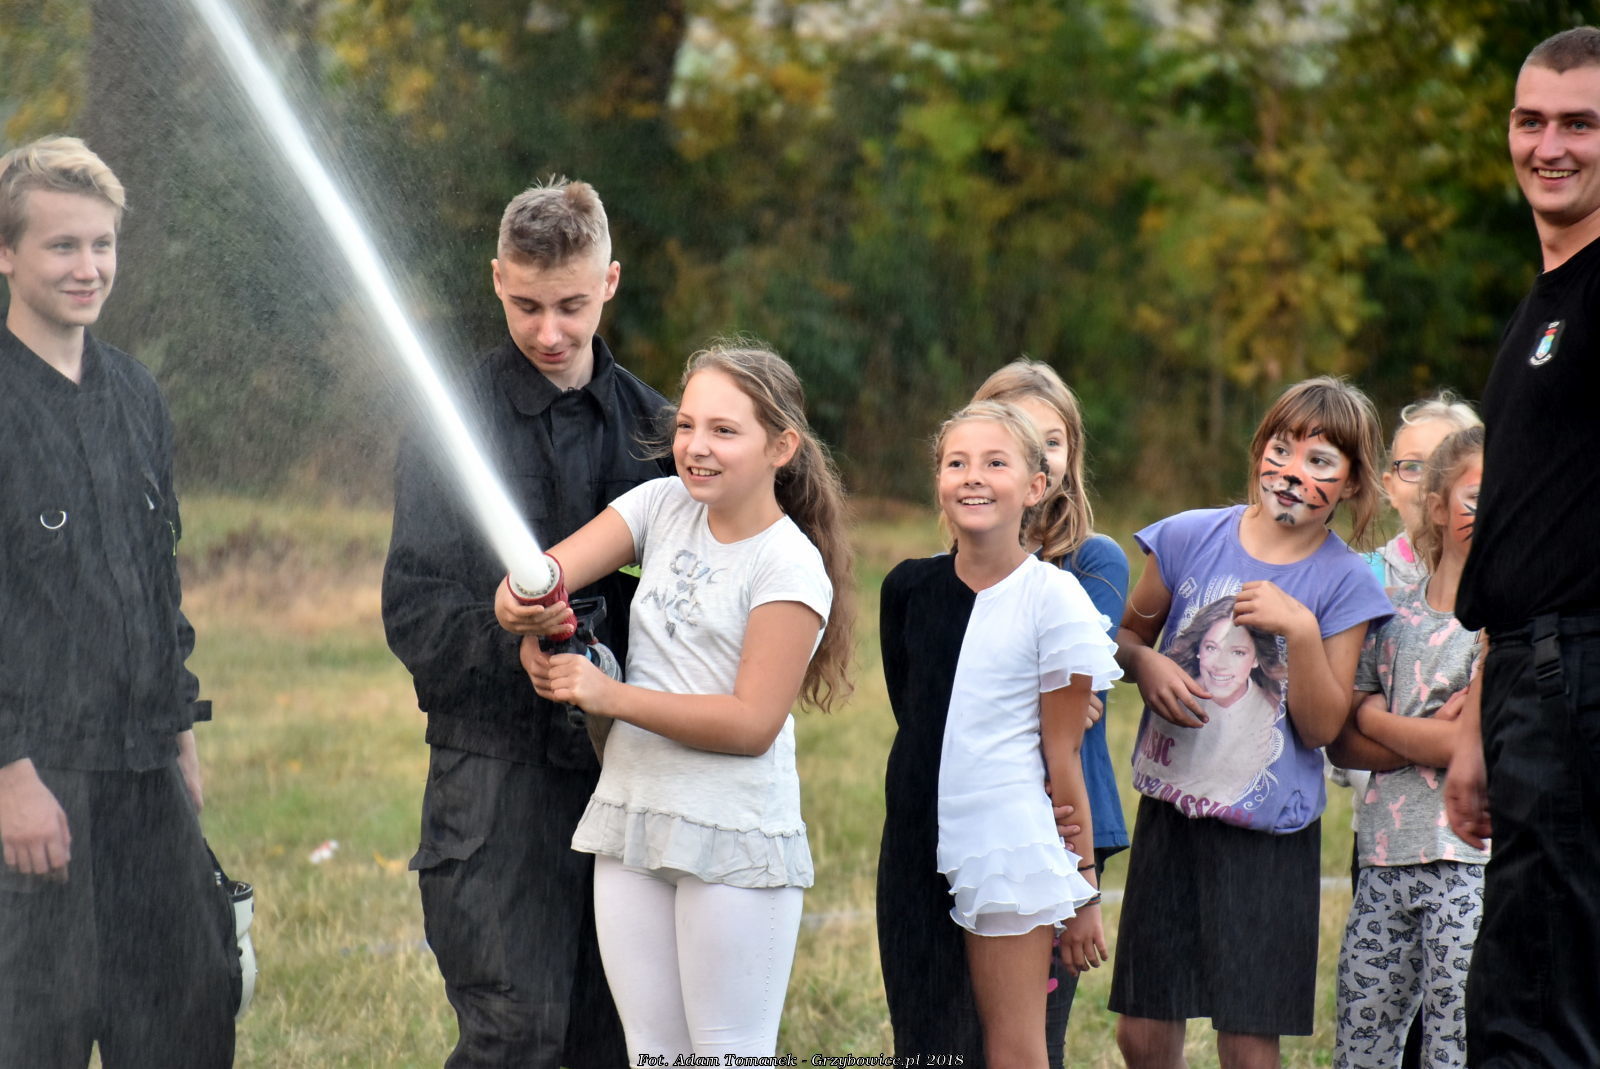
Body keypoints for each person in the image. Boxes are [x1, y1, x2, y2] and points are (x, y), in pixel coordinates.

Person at [494, 341, 854, 1059]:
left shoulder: (787, 563)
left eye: (724, 430)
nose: (696, 446)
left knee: (729, 1053)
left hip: (732, 836)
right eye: (686, 425)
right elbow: (546, 574)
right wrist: (524, 610)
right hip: (633, 819)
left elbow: (752, 723)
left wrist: (610, 695)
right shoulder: (659, 505)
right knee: (653, 1052)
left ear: (781, 446)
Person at [382, 179, 669, 1068]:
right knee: (514, 1036)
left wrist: (607, 664)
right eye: (527, 305)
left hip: (630, 774)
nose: (549, 331)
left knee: (618, 1038)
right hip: (492, 785)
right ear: (497, 279)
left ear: (610, 281)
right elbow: (412, 610)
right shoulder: (448, 425)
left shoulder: (660, 432)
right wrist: (504, 632)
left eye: (572, 305)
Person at [0, 136, 236, 1066]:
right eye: (62, 245)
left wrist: (181, 738)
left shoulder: (137, 393)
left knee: (189, 1010)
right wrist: (10, 776)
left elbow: (157, 580)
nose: (87, 267)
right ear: (6, 252)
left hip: (145, 768)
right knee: (38, 1031)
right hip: (38, 777)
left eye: (102, 244)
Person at [1109, 377, 1393, 1068]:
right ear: (1259, 449)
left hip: (1269, 836)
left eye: (1320, 460)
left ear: (1353, 483)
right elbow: (1123, 637)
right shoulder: (1187, 537)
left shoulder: (1345, 582)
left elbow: (1322, 728)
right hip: (1171, 814)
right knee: (1141, 1030)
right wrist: (1145, 664)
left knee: (1245, 1041)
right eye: (1281, 448)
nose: (1292, 471)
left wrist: (1300, 630)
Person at [878, 400, 1120, 1068]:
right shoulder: (906, 588)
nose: (973, 477)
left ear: (1035, 486)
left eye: (994, 463)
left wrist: (1084, 891)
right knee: (924, 1047)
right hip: (913, 843)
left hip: (1005, 848)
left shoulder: (1055, 598)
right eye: (956, 463)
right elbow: (916, 714)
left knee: (1013, 1047)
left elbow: (1063, 755)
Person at [1447, 25, 1600, 1067]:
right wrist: (1474, 724)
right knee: (1535, 981)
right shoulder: (1546, 303)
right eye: (1530, 120)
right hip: (1526, 675)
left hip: (1578, 674)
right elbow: (1523, 535)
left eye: (1580, 124)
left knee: (1534, 1011)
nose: (1549, 146)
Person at [971, 359, 1131, 1059]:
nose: (1037, 454)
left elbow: (1067, 706)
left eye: (1053, 441)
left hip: (1062, 819)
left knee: (1034, 1035)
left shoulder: (1092, 562)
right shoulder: (950, 569)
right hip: (973, 814)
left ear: (1070, 458)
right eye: (1016, 435)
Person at [1328, 427, 1487, 1069]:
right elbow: (1341, 740)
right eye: (1477, 497)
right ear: (1439, 506)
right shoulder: (1386, 614)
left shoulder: (1502, 629)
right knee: (1361, 1045)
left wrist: (1376, 714)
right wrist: (1419, 731)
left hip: (1468, 869)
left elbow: (1464, 743)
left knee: (1453, 1049)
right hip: (1382, 862)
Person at [1131, 595, 1286, 807]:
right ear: (1198, 650)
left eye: (1238, 652)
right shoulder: (1174, 693)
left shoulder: (1269, 712)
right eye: (1211, 648)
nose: (1220, 665)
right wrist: (1139, 659)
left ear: (1256, 659)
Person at [1364, 393, 1481, 591]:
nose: (1428, 482)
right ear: (1391, 488)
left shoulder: (1504, 573)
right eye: (1413, 467)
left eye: (1444, 467)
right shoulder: (1360, 576)